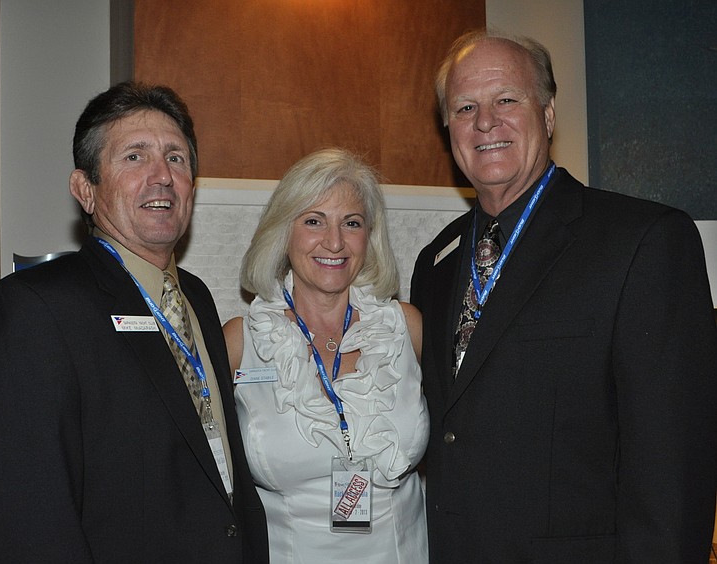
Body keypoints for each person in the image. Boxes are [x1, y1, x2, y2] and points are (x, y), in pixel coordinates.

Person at [410, 28, 717, 563]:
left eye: (507, 99)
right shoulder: (435, 264)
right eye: (465, 107)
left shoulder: (642, 242)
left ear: (548, 114)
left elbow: (674, 468)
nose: (485, 122)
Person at [0, 82, 268, 563]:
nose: (162, 176)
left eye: (175, 158)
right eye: (134, 156)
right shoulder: (34, 307)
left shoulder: (197, 298)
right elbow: (22, 518)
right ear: (85, 189)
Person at [223, 148, 429, 563]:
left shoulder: (406, 328)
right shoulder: (240, 342)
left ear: (369, 236)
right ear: (284, 232)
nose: (334, 242)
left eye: (351, 223)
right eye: (314, 221)